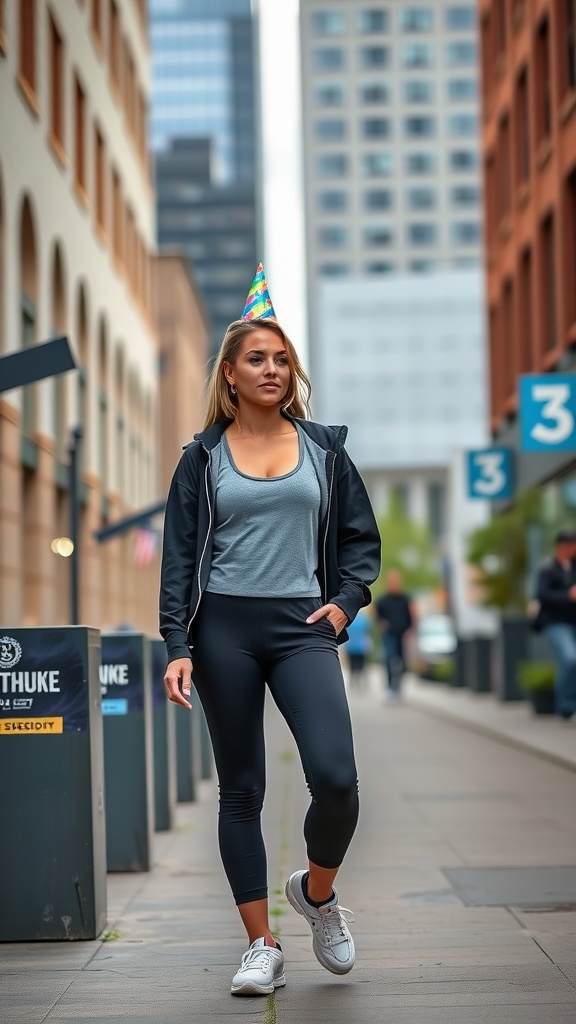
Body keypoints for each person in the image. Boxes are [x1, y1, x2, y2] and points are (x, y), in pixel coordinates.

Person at [159, 267, 381, 997]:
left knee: (338, 780)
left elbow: (359, 542)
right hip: (223, 625)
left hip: (302, 625)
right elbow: (181, 558)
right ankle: (261, 945)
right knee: (241, 791)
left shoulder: (323, 449)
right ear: (229, 373)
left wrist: (347, 603)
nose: (272, 370)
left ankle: (318, 895)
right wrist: (179, 647)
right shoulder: (201, 458)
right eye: (257, 358)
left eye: (282, 359)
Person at [534, 528, 576, 720]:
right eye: (569, 544)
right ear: (560, 546)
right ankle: (566, 707)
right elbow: (542, 595)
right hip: (556, 622)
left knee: (570, 663)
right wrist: (568, 595)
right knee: (570, 658)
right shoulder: (548, 568)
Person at [375, 569, 414, 701]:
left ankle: (399, 688)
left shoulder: (406, 599)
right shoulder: (383, 600)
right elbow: (377, 616)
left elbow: (413, 616)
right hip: (389, 635)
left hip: (403, 635)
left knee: (402, 662)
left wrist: (411, 630)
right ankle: (390, 688)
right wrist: (381, 625)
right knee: (389, 659)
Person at [343, 606, 372, 691]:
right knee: (361, 665)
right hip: (361, 646)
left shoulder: (349, 618)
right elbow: (367, 632)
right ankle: (360, 681)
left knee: (352, 664)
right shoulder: (365, 620)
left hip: (351, 645)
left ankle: (352, 681)